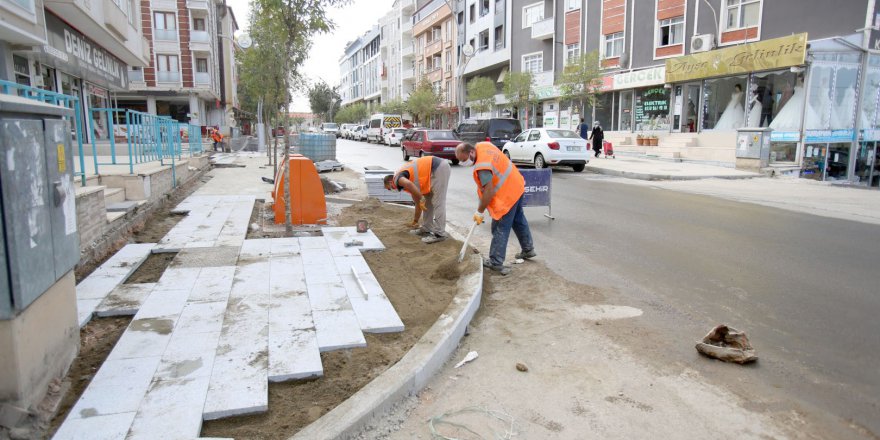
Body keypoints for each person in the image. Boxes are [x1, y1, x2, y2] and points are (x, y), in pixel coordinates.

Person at [455, 142, 535, 275]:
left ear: (471, 152)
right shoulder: (483, 145)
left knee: (499, 227)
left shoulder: (482, 167)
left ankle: (496, 262)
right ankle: (528, 249)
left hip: (507, 194)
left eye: (464, 160)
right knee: (518, 219)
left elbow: (489, 191)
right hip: (517, 184)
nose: (463, 163)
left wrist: (480, 211)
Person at [383, 155, 451, 244]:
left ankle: (440, 234)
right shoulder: (408, 182)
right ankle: (427, 228)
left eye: (388, 188)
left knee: (438, 201)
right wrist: (415, 221)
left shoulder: (397, 179)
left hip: (437, 167)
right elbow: (418, 203)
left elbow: (409, 185)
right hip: (431, 172)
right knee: (427, 202)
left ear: (390, 182)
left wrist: (421, 198)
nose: (390, 190)